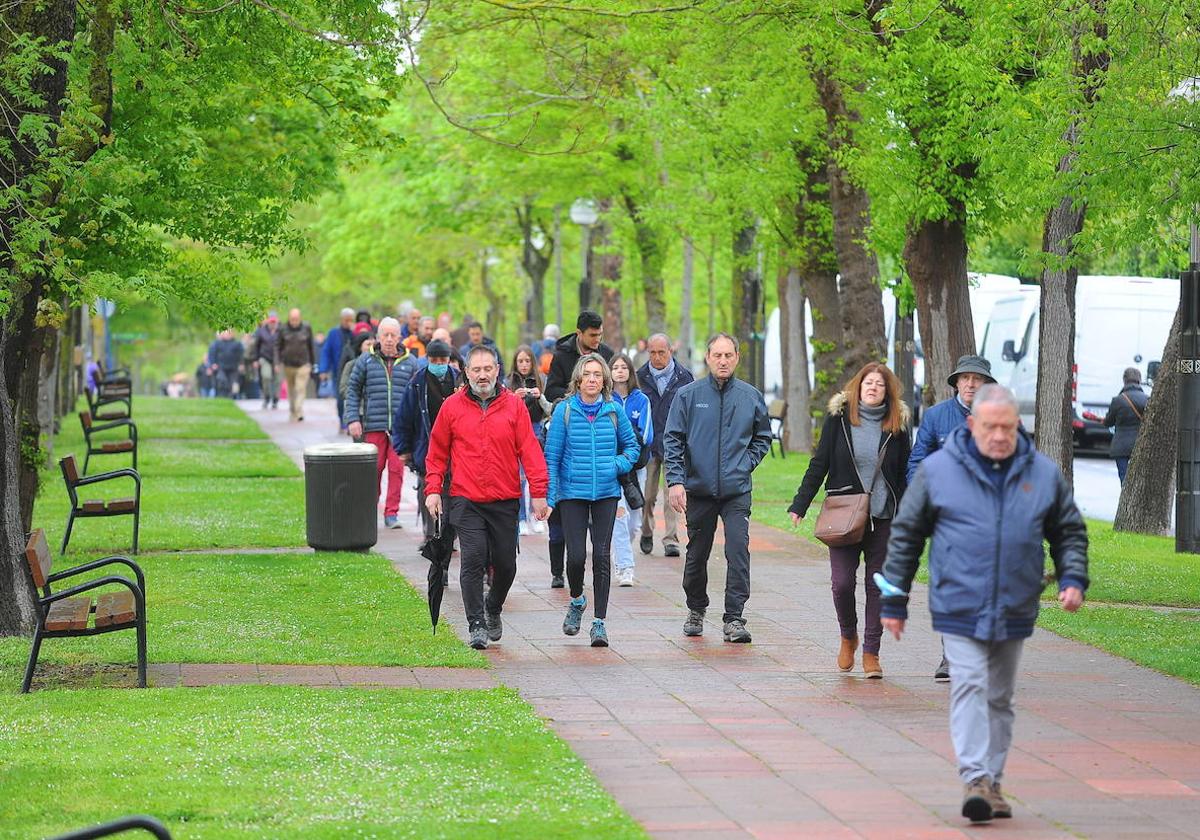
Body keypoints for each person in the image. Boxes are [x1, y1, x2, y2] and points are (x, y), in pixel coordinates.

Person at [880, 384, 1088, 824]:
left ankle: (993, 781)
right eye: (990, 426)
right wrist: (894, 601)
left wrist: (1072, 577)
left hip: (1015, 602)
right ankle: (974, 777)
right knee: (970, 683)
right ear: (972, 425)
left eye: (1007, 428)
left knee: (1000, 696)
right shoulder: (939, 471)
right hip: (958, 602)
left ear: (1018, 427)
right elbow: (906, 536)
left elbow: (1068, 530)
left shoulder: (1042, 473)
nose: (998, 435)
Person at [787, 362, 911, 678]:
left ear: (888, 391)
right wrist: (800, 503)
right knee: (842, 584)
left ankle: (871, 653)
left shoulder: (897, 424)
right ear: (857, 386)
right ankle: (848, 635)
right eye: (868, 382)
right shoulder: (839, 420)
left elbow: (905, 473)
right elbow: (820, 463)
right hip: (843, 514)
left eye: (879, 384)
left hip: (884, 517)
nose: (873, 388)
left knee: (876, 586)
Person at [425, 346, 550, 650]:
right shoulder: (452, 407)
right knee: (473, 558)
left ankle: (493, 607)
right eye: (476, 370)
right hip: (466, 499)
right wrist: (432, 490)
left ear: (497, 370)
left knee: (506, 565)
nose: (482, 375)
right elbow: (437, 451)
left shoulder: (513, 407)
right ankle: (476, 623)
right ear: (466, 372)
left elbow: (530, 450)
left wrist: (539, 493)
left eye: (487, 369)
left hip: (504, 499)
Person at [665, 333, 772, 643]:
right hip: (699, 489)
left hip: (737, 490)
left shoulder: (750, 396)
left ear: (736, 358)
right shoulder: (688, 395)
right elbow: (672, 439)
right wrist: (675, 480)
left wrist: (745, 463)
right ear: (708, 358)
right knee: (697, 554)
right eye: (717, 355)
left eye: (728, 355)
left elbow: (762, 436)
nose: (723, 361)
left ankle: (734, 618)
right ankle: (695, 609)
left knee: (738, 550)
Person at [907, 353, 996, 682]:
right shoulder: (936, 416)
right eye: (965, 378)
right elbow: (918, 460)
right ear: (956, 382)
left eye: (977, 378)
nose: (971, 383)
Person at [544, 354, 639, 647]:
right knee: (575, 558)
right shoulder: (564, 411)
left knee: (600, 556)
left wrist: (616, 465)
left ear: (605, 379)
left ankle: (599, 623)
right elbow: (552, 457)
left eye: (598, 374)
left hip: (606, 494)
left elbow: (633, 447)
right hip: (572, 493)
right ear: (578, 379)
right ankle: (577, 600)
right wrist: (548, 498)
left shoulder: (613, 411)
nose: (593, 380)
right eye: (588, 374)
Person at [393, 339, 461, 583]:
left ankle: (445, 550)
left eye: (443, 361)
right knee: (433, 510)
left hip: (458, 457)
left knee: (453, 514)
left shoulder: (459, 381)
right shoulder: (417, 384)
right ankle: (439, 565)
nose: (439, 365)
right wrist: (404, 449)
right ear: (428, 360)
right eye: (434, 361)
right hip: (428, 455)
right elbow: (403, 419)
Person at [344, 317, 418, 529]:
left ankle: (391, 513)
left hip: (400, 429)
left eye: (392, 335)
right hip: (373, 425)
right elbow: (352, 390)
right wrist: (352, 418)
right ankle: (369, 509)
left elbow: (416, 395)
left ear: (399, 337)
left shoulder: (410, 362)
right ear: (377, 337)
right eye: (384, 335)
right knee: (373, 469)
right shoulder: (366, 361)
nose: (388, 339)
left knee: (397, 469)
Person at [636, 332, 694, 558]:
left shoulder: (685, 377)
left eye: (662, 352)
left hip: (675, 445)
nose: (657, 357)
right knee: (648, 495)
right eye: (652, 352)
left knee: (673, 494)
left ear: (671, 351)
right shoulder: (639, 378)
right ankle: (647, 530)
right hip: (649, 445)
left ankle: (671, 538)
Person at [609, 353, 653, 586]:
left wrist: (628, 439)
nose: (619, 371)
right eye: (615, 367)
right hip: (615, 469)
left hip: (637, 468)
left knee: (634, 521)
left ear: (630, 371)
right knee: (619, 516)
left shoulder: (642, 400)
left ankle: (620, 549)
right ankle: (625, 567)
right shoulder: (607, 400)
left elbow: (646, 436)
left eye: (623, 367)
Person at [506, 345, 553, 535]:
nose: (524, 365)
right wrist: (514, 397)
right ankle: (522, 518)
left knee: (536, 476)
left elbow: (550, 410)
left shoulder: (542, 380)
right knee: (519, 478)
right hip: (514, 431)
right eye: (520, 361)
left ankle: (537, 516)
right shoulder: (508, 382)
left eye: (527, 361)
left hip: (535, 429)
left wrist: (539, 396)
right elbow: (503, 409)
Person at [1087, 367, 1147, 485]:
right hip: (1141, 445)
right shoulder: (1147, 400)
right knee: (1139, 479)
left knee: (1124, 477)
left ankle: (1126, 502)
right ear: (1139, 380)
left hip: (1121, 446)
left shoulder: (1118, 400)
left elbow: (1108, 422)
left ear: (1124, 380)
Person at [545, 310, 613, 402]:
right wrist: (579, 393)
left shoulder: (607, 354)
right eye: (593, 335)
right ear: (579, 333)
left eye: (600, 334)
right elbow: (550, 392)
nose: (597, 339)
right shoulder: (561, 356)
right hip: (571, 410)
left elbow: (613, 387)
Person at [278, 308, 316, 422]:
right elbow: (277, 346)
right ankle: (292, 410)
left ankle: (298, 410)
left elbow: (311, 346)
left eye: (296, 318)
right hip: (288, 364)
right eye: (292, 318)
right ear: (289, 318)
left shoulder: (306, 328)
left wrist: (313, 363)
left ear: (300, 318)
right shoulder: (283, 329)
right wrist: (277, 361)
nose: (294, 321)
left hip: (303, 364)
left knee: (300, 388)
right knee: (291, 389)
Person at [320, 308, 356, 425]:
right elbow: (326, 351)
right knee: (340, 399)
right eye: (346, 320)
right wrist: (323, 370)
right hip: (338, 371)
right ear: (341, 320)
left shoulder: (355, 333)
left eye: (351, 320)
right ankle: (342, 420)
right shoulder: (333, 333)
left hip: (353, 370)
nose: (348, 323)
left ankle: (350, 420)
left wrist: (355, 332)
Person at [250, 313, 282, 409]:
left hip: (279, 359)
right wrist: (255, 359)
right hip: (265, 358)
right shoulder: (261, 331)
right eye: (271, 321)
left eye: (274, 322)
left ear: (277, 321)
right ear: (268, 321)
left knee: (277, 380)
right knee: (266, 377)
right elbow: (256, 346)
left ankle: (275, 399)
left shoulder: (281, 331)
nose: (273, 324)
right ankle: (266, 397)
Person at [207, 329, 244, 399]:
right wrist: (213, 364)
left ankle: (234, 396)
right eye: (226, 333)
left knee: (234, 384)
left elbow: (241, 355)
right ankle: (224, 396)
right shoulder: (217, 344)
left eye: (229, 333)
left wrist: (241, 364)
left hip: (234, 367)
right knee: (222, 381)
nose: (227, 335)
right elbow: (212, 355)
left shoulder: (237, 344)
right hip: (221, 367)